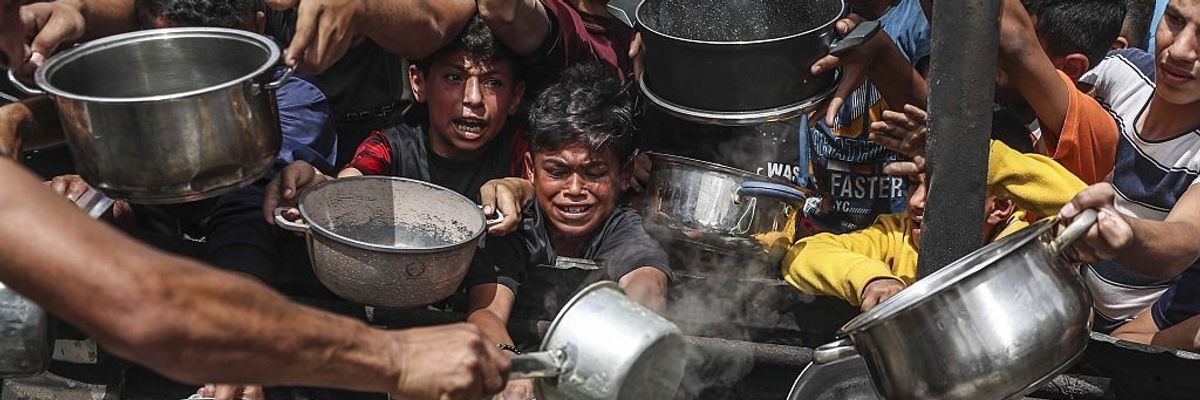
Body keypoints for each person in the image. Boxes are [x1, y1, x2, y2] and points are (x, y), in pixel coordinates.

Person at [0, 3, 511, 399]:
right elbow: (151, 306)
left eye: (16, 14)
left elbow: (244, 213)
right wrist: (395, 358)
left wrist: (23, 122)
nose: (16, 39)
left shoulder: (293, 105)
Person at [463, 64, 671, 399]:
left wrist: (628, 331)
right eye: (557, 171)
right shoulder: (513, 226)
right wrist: (513, 368)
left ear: (624, 174)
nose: (574, 189)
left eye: (594, 172)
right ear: (531, 170)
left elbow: (648, 283)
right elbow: (486, 312)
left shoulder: (624, 229)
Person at [783, 105, 1086, 310]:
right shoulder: (898, 236)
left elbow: (1090, 209)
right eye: (913, 184)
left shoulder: (1031, 248)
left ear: (1001, 206)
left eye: (939, 190)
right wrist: (871, 279)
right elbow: (804, 254)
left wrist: (981, 160)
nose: (915, 202)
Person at [1059, 0, 1200, 349]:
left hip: (1128, 350)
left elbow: (1184, 238)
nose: (1179, 50)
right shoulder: (1119, 72)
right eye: (1174, 19)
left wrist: (1126, 235)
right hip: (1057, 311)